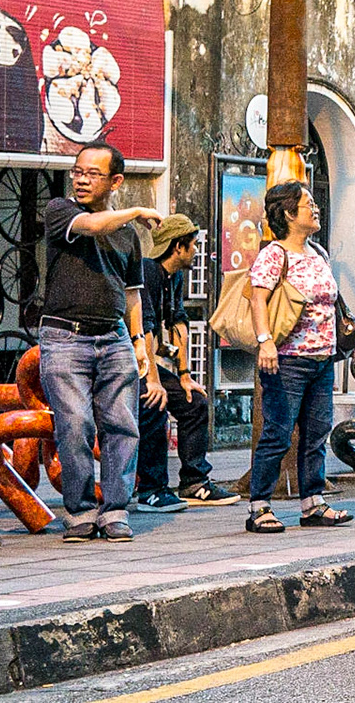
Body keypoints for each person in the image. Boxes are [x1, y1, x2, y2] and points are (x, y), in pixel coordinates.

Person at [41, 142, 160, 543]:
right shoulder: (61, 212)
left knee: (122, 427)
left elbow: (132, 292)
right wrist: (140, 210)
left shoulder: (127, 235)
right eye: (78, 171)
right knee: (74, 425)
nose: (81, 179)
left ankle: (115, 510)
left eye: (92, 173)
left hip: (114, 337)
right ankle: (79, 512)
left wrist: (139, 340)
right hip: (64, 337)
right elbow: (93, 226)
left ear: (115, 181)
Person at [244, 183, 352, 533]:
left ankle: (312, 503)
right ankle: (259, 506)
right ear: (289, 213)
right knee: (278, 432)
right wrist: (265, 342)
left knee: (317, 432)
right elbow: (257, 298)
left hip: (322, 359)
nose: (316, 208)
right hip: (287, 359)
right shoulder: (276, 254)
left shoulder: (317, 251)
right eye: (309, 203)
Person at [133, 214, 235, 511]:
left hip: (149, 360)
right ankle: (151, 491)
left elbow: (178, 323)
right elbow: (146, 330)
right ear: (178, 246)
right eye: (193, 244)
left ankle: (194, 482)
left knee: (194, 402)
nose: (196, 251)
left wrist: (185, 375)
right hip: (128, 362)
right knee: (154, 403)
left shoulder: (174, 276)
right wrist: (153, 380)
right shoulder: (148, 272)